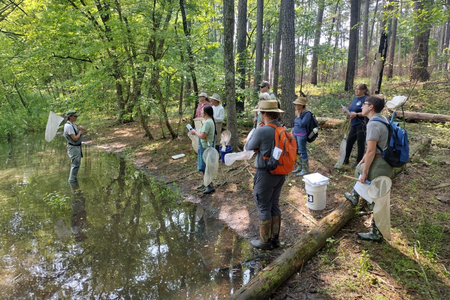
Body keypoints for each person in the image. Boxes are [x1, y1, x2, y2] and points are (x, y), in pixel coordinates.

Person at [345, 96, 393, 241]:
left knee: (376, 199)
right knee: (359, 168)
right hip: (384, 161)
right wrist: (364, 158)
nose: (361, 107)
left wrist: (365, 172)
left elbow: (372, 151)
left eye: (364, 104)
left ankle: (377, 233)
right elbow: (375, 147)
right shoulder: (382, 119)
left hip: (379, 164)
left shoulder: (373, 124)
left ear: (371, 106)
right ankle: (355, 196)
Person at [246, 100, 286, 250]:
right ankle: (275, 239)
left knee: (263, 206)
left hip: (265, 174)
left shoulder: (262, 130)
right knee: (274, 204)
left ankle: (264, 241)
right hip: (280, 173)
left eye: (260, 112)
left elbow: (248, 147)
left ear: (264, 114)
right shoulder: (282, 128)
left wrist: (257, 130)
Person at [189, 106, 217, 194]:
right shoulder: (208, 121)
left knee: (206, 167)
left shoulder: (208, 122)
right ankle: (205, 182)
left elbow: (202, 136)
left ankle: (210, 185)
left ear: (205, 113)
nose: (201, 112)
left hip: (205, 148)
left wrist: (194, 132)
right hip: (205, 147)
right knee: (204, 166)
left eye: (202, 111)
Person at [343, 83, 369, 167]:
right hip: (353, 124)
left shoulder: (366, 99)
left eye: (358, 89)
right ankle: (345, 158)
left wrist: (357, 114)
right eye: (356, 89)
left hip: (361, 124)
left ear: (363, 90)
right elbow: (352, 110)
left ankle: (359, 161)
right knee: (349, 141)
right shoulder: (355, 99)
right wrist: (347, 112)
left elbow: (367, 112)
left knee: (360, 143)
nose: (356, 91)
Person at [291, 97, 311, 176]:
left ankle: (305, 169)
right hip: (295, 134)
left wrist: (298, 116)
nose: (295, 105)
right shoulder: (299, 112)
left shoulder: (307, 114)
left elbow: (302, 124)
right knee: (297, 151)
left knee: (303, 151)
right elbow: (296, 124)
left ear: (302, 105)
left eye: (296, 104)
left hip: (302, 135)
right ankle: (299, 167)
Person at [64, 110, 84, 183]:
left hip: (76, 147)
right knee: (75, 165)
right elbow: (75, 138)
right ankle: (72, 182)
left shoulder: (73, 125)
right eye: (75, 116)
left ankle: (74, 180)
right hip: (73, 147)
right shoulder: (68, 126)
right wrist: (80, 131)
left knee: (77, 164)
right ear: (70, 117)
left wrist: (79, 129)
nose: (76, 117)